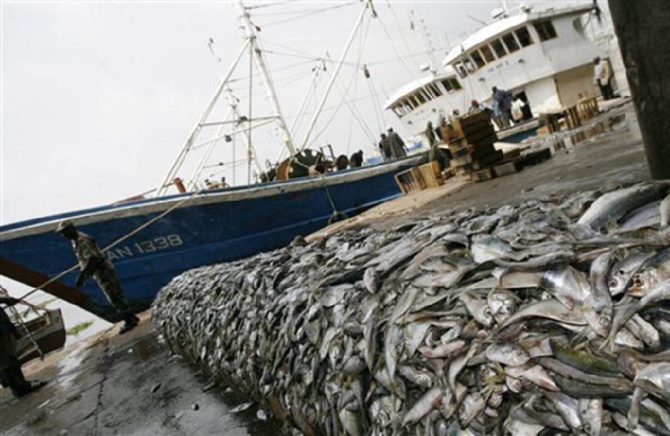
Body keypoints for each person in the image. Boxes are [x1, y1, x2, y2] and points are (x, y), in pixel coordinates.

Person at [56, 220, 139, 335]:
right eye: (62, 233)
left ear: (72, 229)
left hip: (103, 271)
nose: (63, 235)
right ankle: (131, 317)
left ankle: (129, 320)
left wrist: (82, 276)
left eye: (65, 232)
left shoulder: (82, 240)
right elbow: (84, 259)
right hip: (97, 272)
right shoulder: (74, 241)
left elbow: (93, 259)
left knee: (114, 296)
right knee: (114, 296)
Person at [0, 292, 47, 398]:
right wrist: (6, 300)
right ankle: (20, 388)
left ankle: (17, 384)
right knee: (7, 362)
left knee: (9, 359)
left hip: (3, 329)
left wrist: (6, 300)